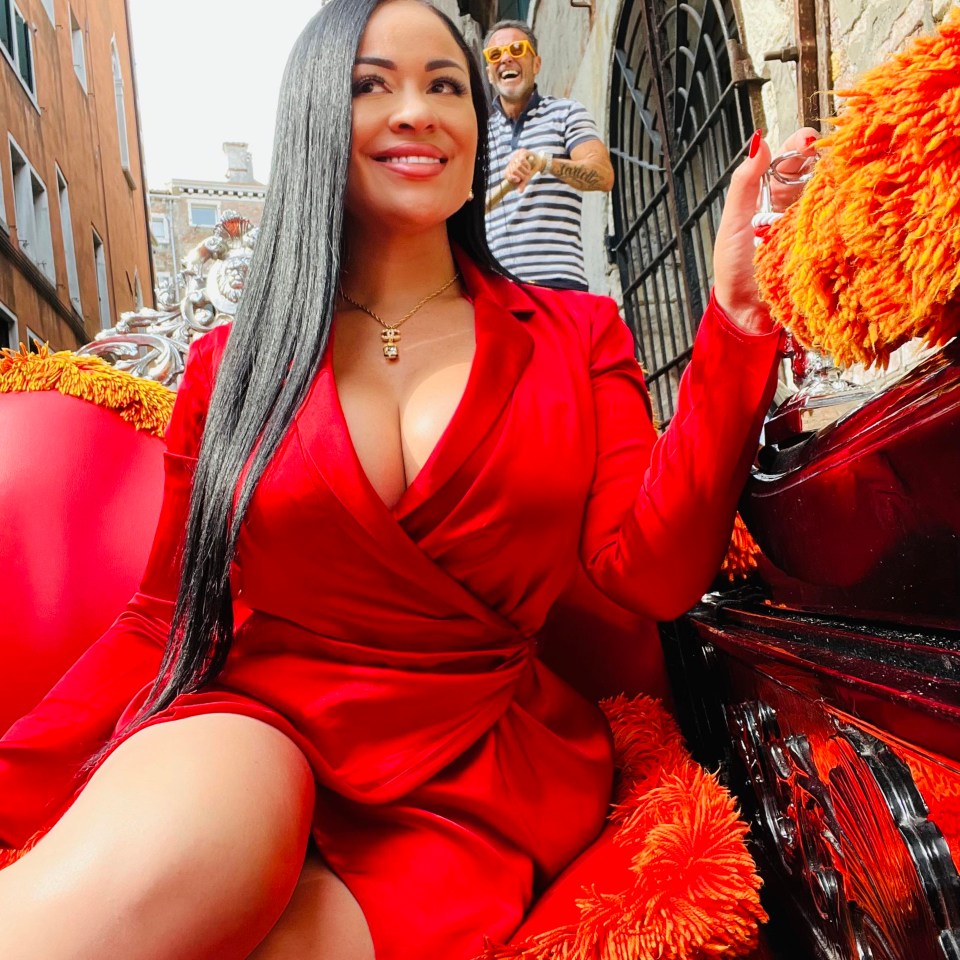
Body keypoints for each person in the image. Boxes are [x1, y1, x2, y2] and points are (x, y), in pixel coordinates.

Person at [0, 1, 812, 958]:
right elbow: (162, 616)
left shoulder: (579, 335)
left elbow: (653, 575)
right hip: (262, 723)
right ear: (313, 120)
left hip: (474, 772)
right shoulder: (231, 365)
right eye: (371, 85)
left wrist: (736, 319)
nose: (417, 110)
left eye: (445, 85)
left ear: (475, 128)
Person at [482, 19, 614, 291]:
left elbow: (603, 176)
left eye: (517, 50)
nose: (506, 58)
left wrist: (543, 162)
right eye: (495, 55)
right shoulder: (478, 138)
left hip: (559, 287)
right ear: (489, 73)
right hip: (499, 295)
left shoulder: (566, 113)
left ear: (536, 64)